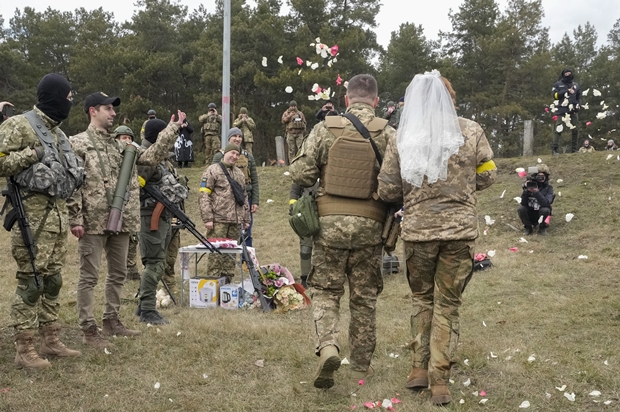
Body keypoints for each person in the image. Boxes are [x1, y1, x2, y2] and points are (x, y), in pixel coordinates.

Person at [377, 71, 496, 405]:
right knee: (448, 303)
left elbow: (386, 189)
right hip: (460, 231)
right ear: (450, 97)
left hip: (418, 233)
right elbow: (489, 174)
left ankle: (418, 370)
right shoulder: (471, 130)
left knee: (422, 299)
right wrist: (465, 186)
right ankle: (440, 381)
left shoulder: (402, 136)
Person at [290, 74, 394, 389]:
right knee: (364, 299)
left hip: (329, 226)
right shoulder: (389, 133)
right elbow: (397, 185)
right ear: (375, 101)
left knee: (325, 292)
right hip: (370, 228)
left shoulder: (325, 128)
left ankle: (329, 347)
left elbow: (301, 173)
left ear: (346, 99)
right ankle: (361, 367)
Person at [68, 92, 186, 348]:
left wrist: (172, 129)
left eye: (113, 109)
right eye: (107, 109)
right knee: (89, 276)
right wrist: (75, 218)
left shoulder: (121, 146)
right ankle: (89, 329)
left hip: (121, 221)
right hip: (92, 221)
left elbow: (151, 156)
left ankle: (111, 320)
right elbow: (73, 185)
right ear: (92, 111)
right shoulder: (76, 143)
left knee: (119, 273)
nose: (113, 113)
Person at [0, 73, 84, 368]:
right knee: (31, 282)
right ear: (54, 96)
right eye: (68, 97)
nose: (70, 103)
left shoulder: (59, 134)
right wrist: (31, 153)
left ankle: (50, 339)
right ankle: (24, 348)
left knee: (53, 280)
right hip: (31, 221)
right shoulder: (19, 125)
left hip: (57, 220)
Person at [135, 119, 189, 324]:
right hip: (150, 217)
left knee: (160, 261)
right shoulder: (146, 158)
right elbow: (137, 189)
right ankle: (147, 309)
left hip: (163, 216)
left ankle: (143, 305)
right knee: (155, 263)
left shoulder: (162, 158)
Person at [199, 143, 250, 282]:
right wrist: (207, 217)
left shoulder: (239, 174)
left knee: (230, 257)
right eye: (232, 153)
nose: (234, 156)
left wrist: (246, 219)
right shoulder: (212, 170)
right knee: (216, 255)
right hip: (218, 221)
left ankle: (227, 284)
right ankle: (212, 285)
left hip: (235, 221)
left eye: (237, 154)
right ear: (225, 153)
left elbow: (244, 197)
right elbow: (204, 195)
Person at [212, 128, 259, 246]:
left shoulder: (248, 157)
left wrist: (255, 201)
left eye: (240, 136)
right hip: (224, 201)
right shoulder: (219, 156)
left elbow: (254, 180)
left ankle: (246, 262)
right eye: (234, 136)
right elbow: (212, 179)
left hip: (245, 199)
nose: (237, 139)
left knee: (246, 231)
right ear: (229, 138)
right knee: (225, 233)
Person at [113, 125, 142, 282]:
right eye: (124, 138)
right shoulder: (112, 157)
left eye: (130, 138)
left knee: (133, 238)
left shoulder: (135, 156)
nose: (128, 141)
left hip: (132, 206)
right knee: (119, 241)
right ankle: (119, 271)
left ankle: (131, 268)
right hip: (117, 206)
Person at [289, 182, 319, 288]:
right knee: (305, 248)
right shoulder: (307, 170)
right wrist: (293, 205)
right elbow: (295, 188)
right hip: (307, 210)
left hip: (327, 210)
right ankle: (305, 277)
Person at [551, 68, 581, 155]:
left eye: (569, 73)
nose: (568, 75)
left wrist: (578, 105)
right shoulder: (558, 85)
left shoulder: (576, 85)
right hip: (561, 111)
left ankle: (574, 149)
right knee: (558, 130)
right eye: (566, 73)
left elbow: (579, 97)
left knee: (575, 130)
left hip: (573, 111)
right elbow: (555, 96)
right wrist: (565, 91)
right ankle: (554, 150)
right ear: (563, 74)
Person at [518, 164, 554, 236]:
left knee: (546, 210)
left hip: (541, 213)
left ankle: (542, 228)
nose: (541, 178)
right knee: (521, 209)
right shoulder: (530, 186)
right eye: (539, 176)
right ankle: (528, 228)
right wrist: (526, 190)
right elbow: (523, 203)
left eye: (543, 176)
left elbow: (546, 203)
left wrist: (536, 192)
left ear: (546, 177)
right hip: (530, 213)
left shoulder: (549, 188)